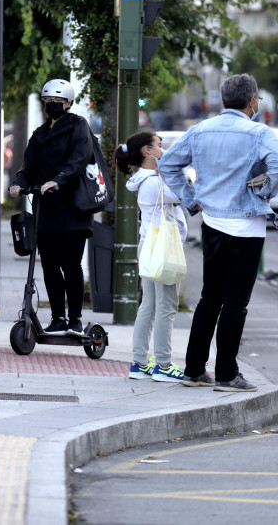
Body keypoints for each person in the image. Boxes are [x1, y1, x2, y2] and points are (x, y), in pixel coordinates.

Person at [159, 73, 278, 392]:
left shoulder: (200, 130)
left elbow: (168, 166)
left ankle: (193, 369)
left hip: (213, 222)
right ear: (251, 102)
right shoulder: (258, 132)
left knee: (210, 296)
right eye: (257, 99)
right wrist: (263, 191)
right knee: (236, 301)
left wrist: (192, 200)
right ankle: (228, 374)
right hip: (247, 224)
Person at [9, 79, 93, 336]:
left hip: (73, 207)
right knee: (49, 265)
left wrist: (57, 180)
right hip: (46, 210)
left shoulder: (78, 126)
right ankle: (58, 317)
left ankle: (75, 319)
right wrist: (19, 184)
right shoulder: (40, 133)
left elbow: (79, 158)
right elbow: (28, 165)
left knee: (71, 264)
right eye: (47, 102)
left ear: (68, 103)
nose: (52, 105)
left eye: (57, 101)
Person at [113, 132, 187, 382]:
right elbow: (186, 194)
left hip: (149, 246)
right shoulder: (156, 183)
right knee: (166, 307)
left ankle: (140, 362)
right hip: (163, 249)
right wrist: (172, 164)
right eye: (160, 146)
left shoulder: (144, 180)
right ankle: (164, 365)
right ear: (148, 150)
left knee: (149, 305)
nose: (163, 150)